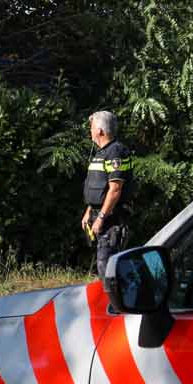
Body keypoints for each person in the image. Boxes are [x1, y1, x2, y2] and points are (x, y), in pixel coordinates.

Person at [80, 110, 132, 279]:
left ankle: (116, 297)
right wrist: (89, 212)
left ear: (100, 130)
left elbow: (115, 189)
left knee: (107, 267)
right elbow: (98, 187)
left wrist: (101, 217)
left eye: (91, 127)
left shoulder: (115, 152)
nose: (90, 131)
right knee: (103, 264)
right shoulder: (101, 152)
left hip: (112, 219)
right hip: (99, 215)